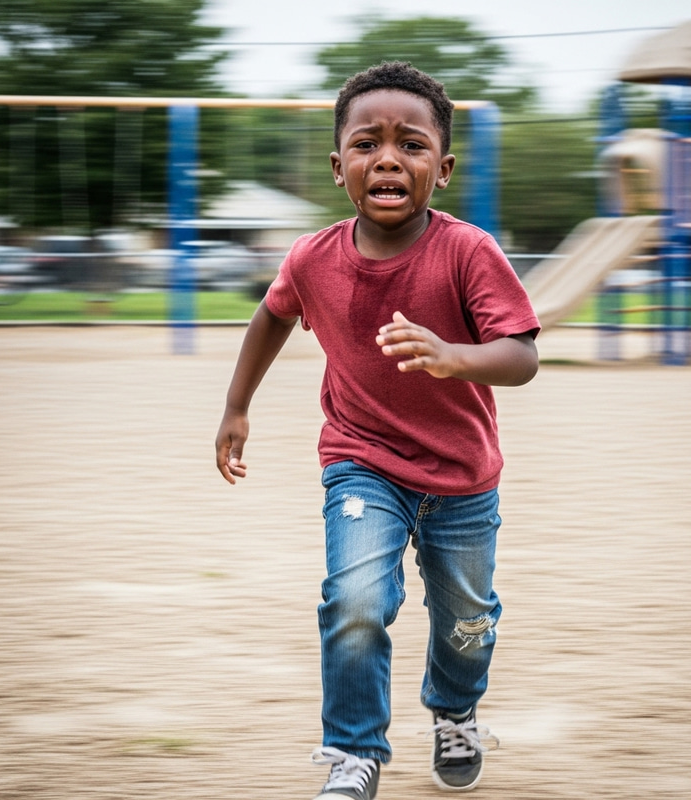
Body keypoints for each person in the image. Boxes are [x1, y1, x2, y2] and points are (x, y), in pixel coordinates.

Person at [215, 61, 540, 800]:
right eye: (367, 143)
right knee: (355, 599)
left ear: (443, 167)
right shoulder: (312, 258)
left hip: (462, 477)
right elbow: (271, 314)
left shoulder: (467, 252)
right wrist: (237, 406)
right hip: (362, 465)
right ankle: (353, 752)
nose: (388, 158)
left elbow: (521, 356)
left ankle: (454, 711)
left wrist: (453, 357)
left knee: (467, 619)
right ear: (339, 167)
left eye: (411, 145)